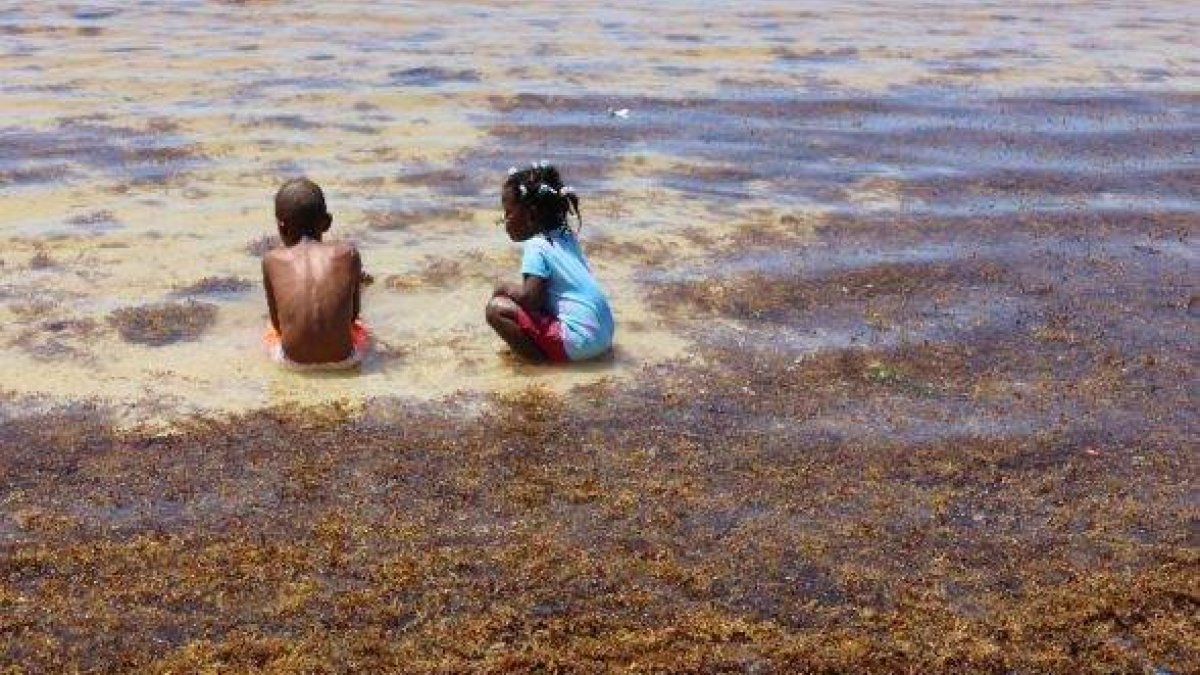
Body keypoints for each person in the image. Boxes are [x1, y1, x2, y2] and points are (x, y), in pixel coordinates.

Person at [486, 162, 614, 362]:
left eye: (508, 213)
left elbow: (531, 299)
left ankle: (539, 364)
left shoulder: (536, 245)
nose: (504, 220)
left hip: (581, 343)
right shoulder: (566, 237)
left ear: (531, 215)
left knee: (497, 309)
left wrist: (503, 288)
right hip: (604, 335)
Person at [262, 177, 369, 368]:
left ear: (281, 227)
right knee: (361, 328)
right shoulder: (349, 254)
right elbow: (353, 317)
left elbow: (278, 325)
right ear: (327, 222)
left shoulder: (271, 260)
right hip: (344, 360)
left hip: (292, 361)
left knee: (269, 329)